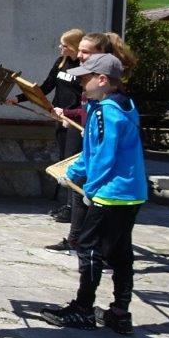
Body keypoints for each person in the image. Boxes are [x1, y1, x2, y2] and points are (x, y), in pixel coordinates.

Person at [40, 53, 147, 335]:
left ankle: (83, 309)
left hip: (110, 193)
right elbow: (93, 152)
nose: (81, 82)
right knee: (121, 251)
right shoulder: (126, 104)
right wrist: (72, 171)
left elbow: (103, 156)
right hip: (132, 192)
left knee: (88, 247)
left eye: (85, 78)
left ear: (102, 80)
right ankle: (120, 312)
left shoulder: (105, 112)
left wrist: (90, 188)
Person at [45, 31, 137, 253]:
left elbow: (106, 151)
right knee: (81, 195)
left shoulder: (109, 95)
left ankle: (91, 247)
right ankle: (78, 240)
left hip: (114, 186)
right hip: (93, 151)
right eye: (79, 51)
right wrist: (71, 115)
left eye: (85, 52)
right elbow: (87, 110)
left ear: (102, 54)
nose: (80, 56)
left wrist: (90, 186)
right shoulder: (91, 82)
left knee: (106, 232)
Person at [7, 28, 83, 223]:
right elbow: (46, 87)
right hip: (60, 118)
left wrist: (71, 114)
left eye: (64, 45)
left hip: (75, 120)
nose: (60, 47)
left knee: (72, 162)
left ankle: (73, 208)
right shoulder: (60, 63)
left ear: (74, 46)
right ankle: (68, 205)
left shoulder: (84, 67)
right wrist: (19, 98)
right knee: (63, 160)